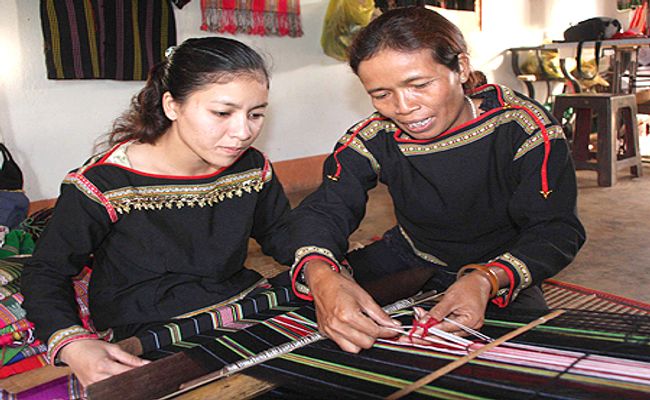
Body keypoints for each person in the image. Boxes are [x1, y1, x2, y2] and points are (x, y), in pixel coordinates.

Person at [288, 7, 586, 353]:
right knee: (299, 309)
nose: (403, 107)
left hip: (499, 262)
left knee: (520, 357)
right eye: (381, 94)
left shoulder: (522, 127)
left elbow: (556, 230)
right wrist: (322, 276)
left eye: (419, 85)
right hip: (412, 252)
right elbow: (326, 209)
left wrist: (488, 279)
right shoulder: (375, 137)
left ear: (460, 67)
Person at [21, 37, 293, 386]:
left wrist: (320, 264)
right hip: (148, 327)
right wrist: (73, 345)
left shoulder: (251, 168)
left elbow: (282, 234)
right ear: (172, 106)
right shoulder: (105, 183)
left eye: (256, 115)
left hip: (235, 302)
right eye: (222, 113)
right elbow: (46, 271)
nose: (243, 132)